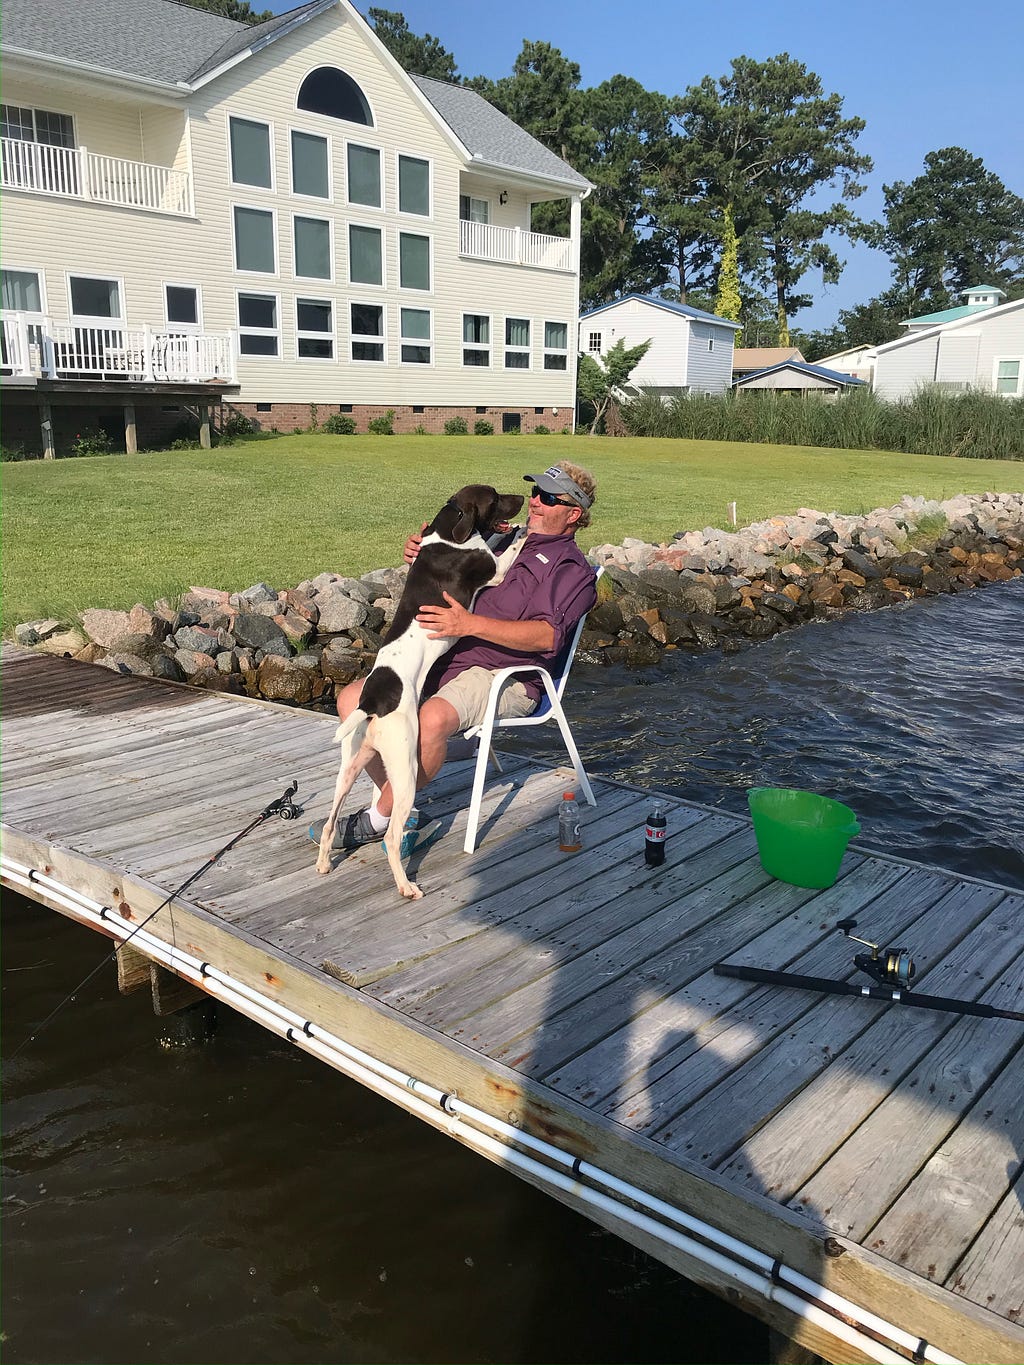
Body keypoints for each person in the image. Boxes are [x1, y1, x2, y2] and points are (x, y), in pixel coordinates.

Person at [322, 460, 598, 855]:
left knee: (429, 719)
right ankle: (402, 802)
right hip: (448, 653)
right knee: (352, 701)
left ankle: (381, 816)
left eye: (549, 498)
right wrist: (423, 550)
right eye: (536, 493)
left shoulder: (570, 569)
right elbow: (453, 563)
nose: (535, 502)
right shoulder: (505, 539)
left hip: (507, 674)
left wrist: (470, 624)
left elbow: (547, 635)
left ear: (574, 514)